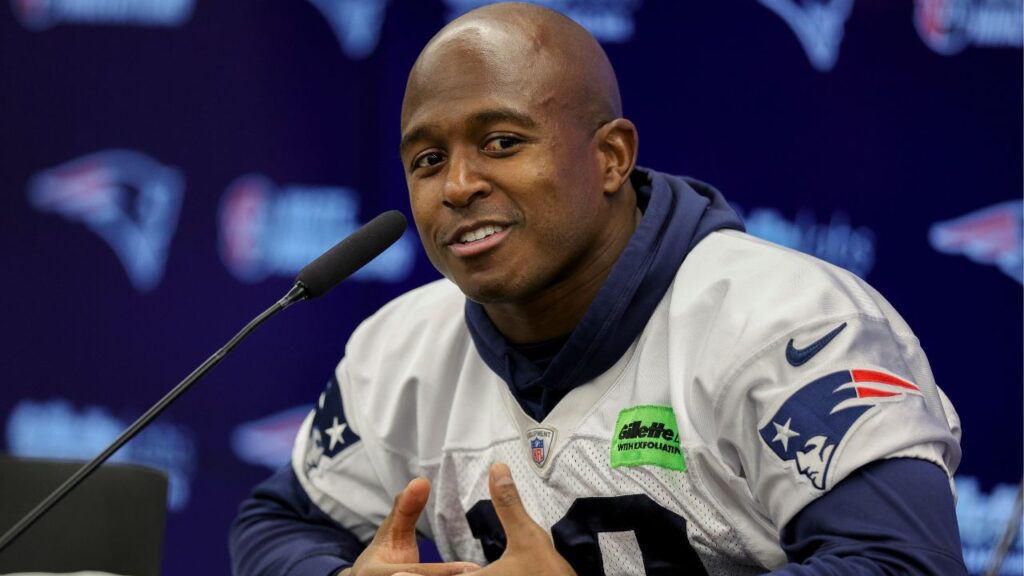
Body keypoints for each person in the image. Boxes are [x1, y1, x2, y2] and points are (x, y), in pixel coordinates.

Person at [230, 3, 967, 575]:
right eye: (427, 159)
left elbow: (904, 562)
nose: (457, 186)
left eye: (502, 144)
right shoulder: (401, 347)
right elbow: (277, 524)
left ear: (611, 157)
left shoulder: (789, 322)